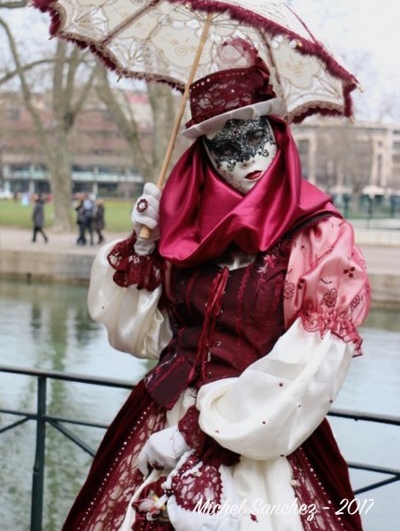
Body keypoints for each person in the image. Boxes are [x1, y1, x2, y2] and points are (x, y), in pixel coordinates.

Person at [62, 42, 370, 531]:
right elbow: (139, 336)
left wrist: (194, 436)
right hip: (158, 416)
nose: (246, 157)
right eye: (225, 146)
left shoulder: (319, 238)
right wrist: (146, 245)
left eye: (254, 136)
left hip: (257, 438)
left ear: (277, 133)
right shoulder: (186, 232)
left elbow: (310, 368)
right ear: (204, 156)